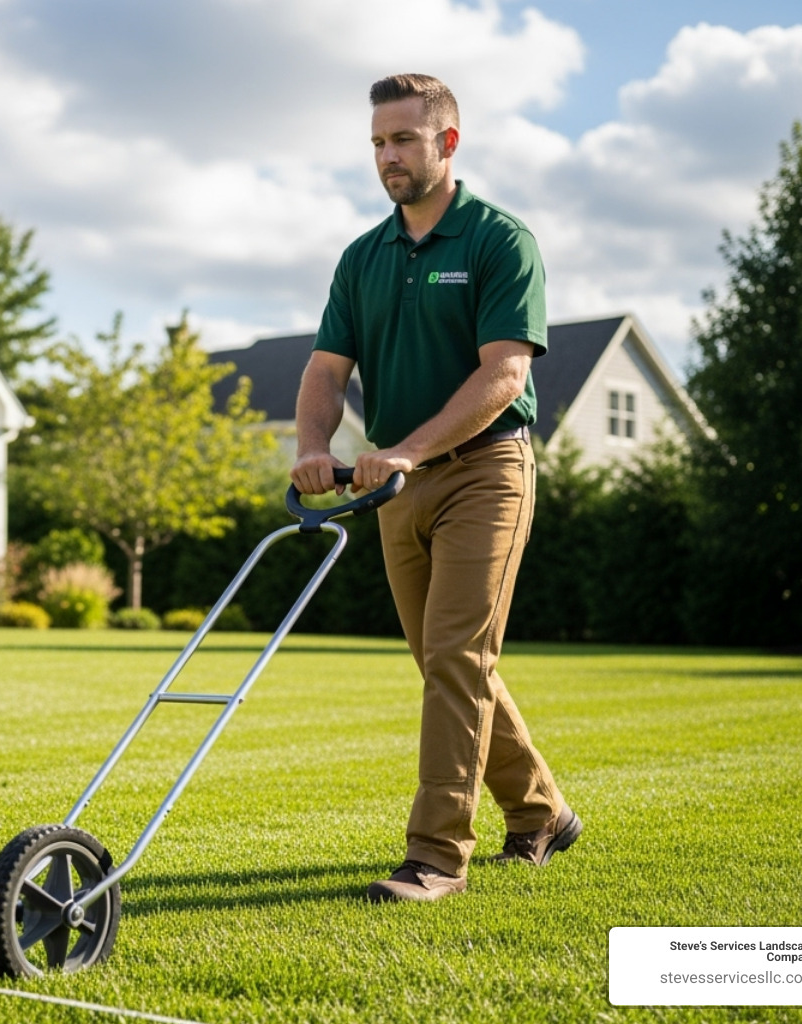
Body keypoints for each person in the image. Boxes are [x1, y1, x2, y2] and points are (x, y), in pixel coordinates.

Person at [290, 73, 580, 903]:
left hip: (487, 471)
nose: (387, 156)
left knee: (457, 655)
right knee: (447, 662)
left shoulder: (498, 240)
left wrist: (410, 448)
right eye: (378, 142)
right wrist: (315, 448)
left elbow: (505, 373)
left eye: (403, 141)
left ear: (447, 143)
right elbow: (324, 371)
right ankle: (542, 813)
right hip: (393, 484)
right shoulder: (362, 257)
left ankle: (435, 857)